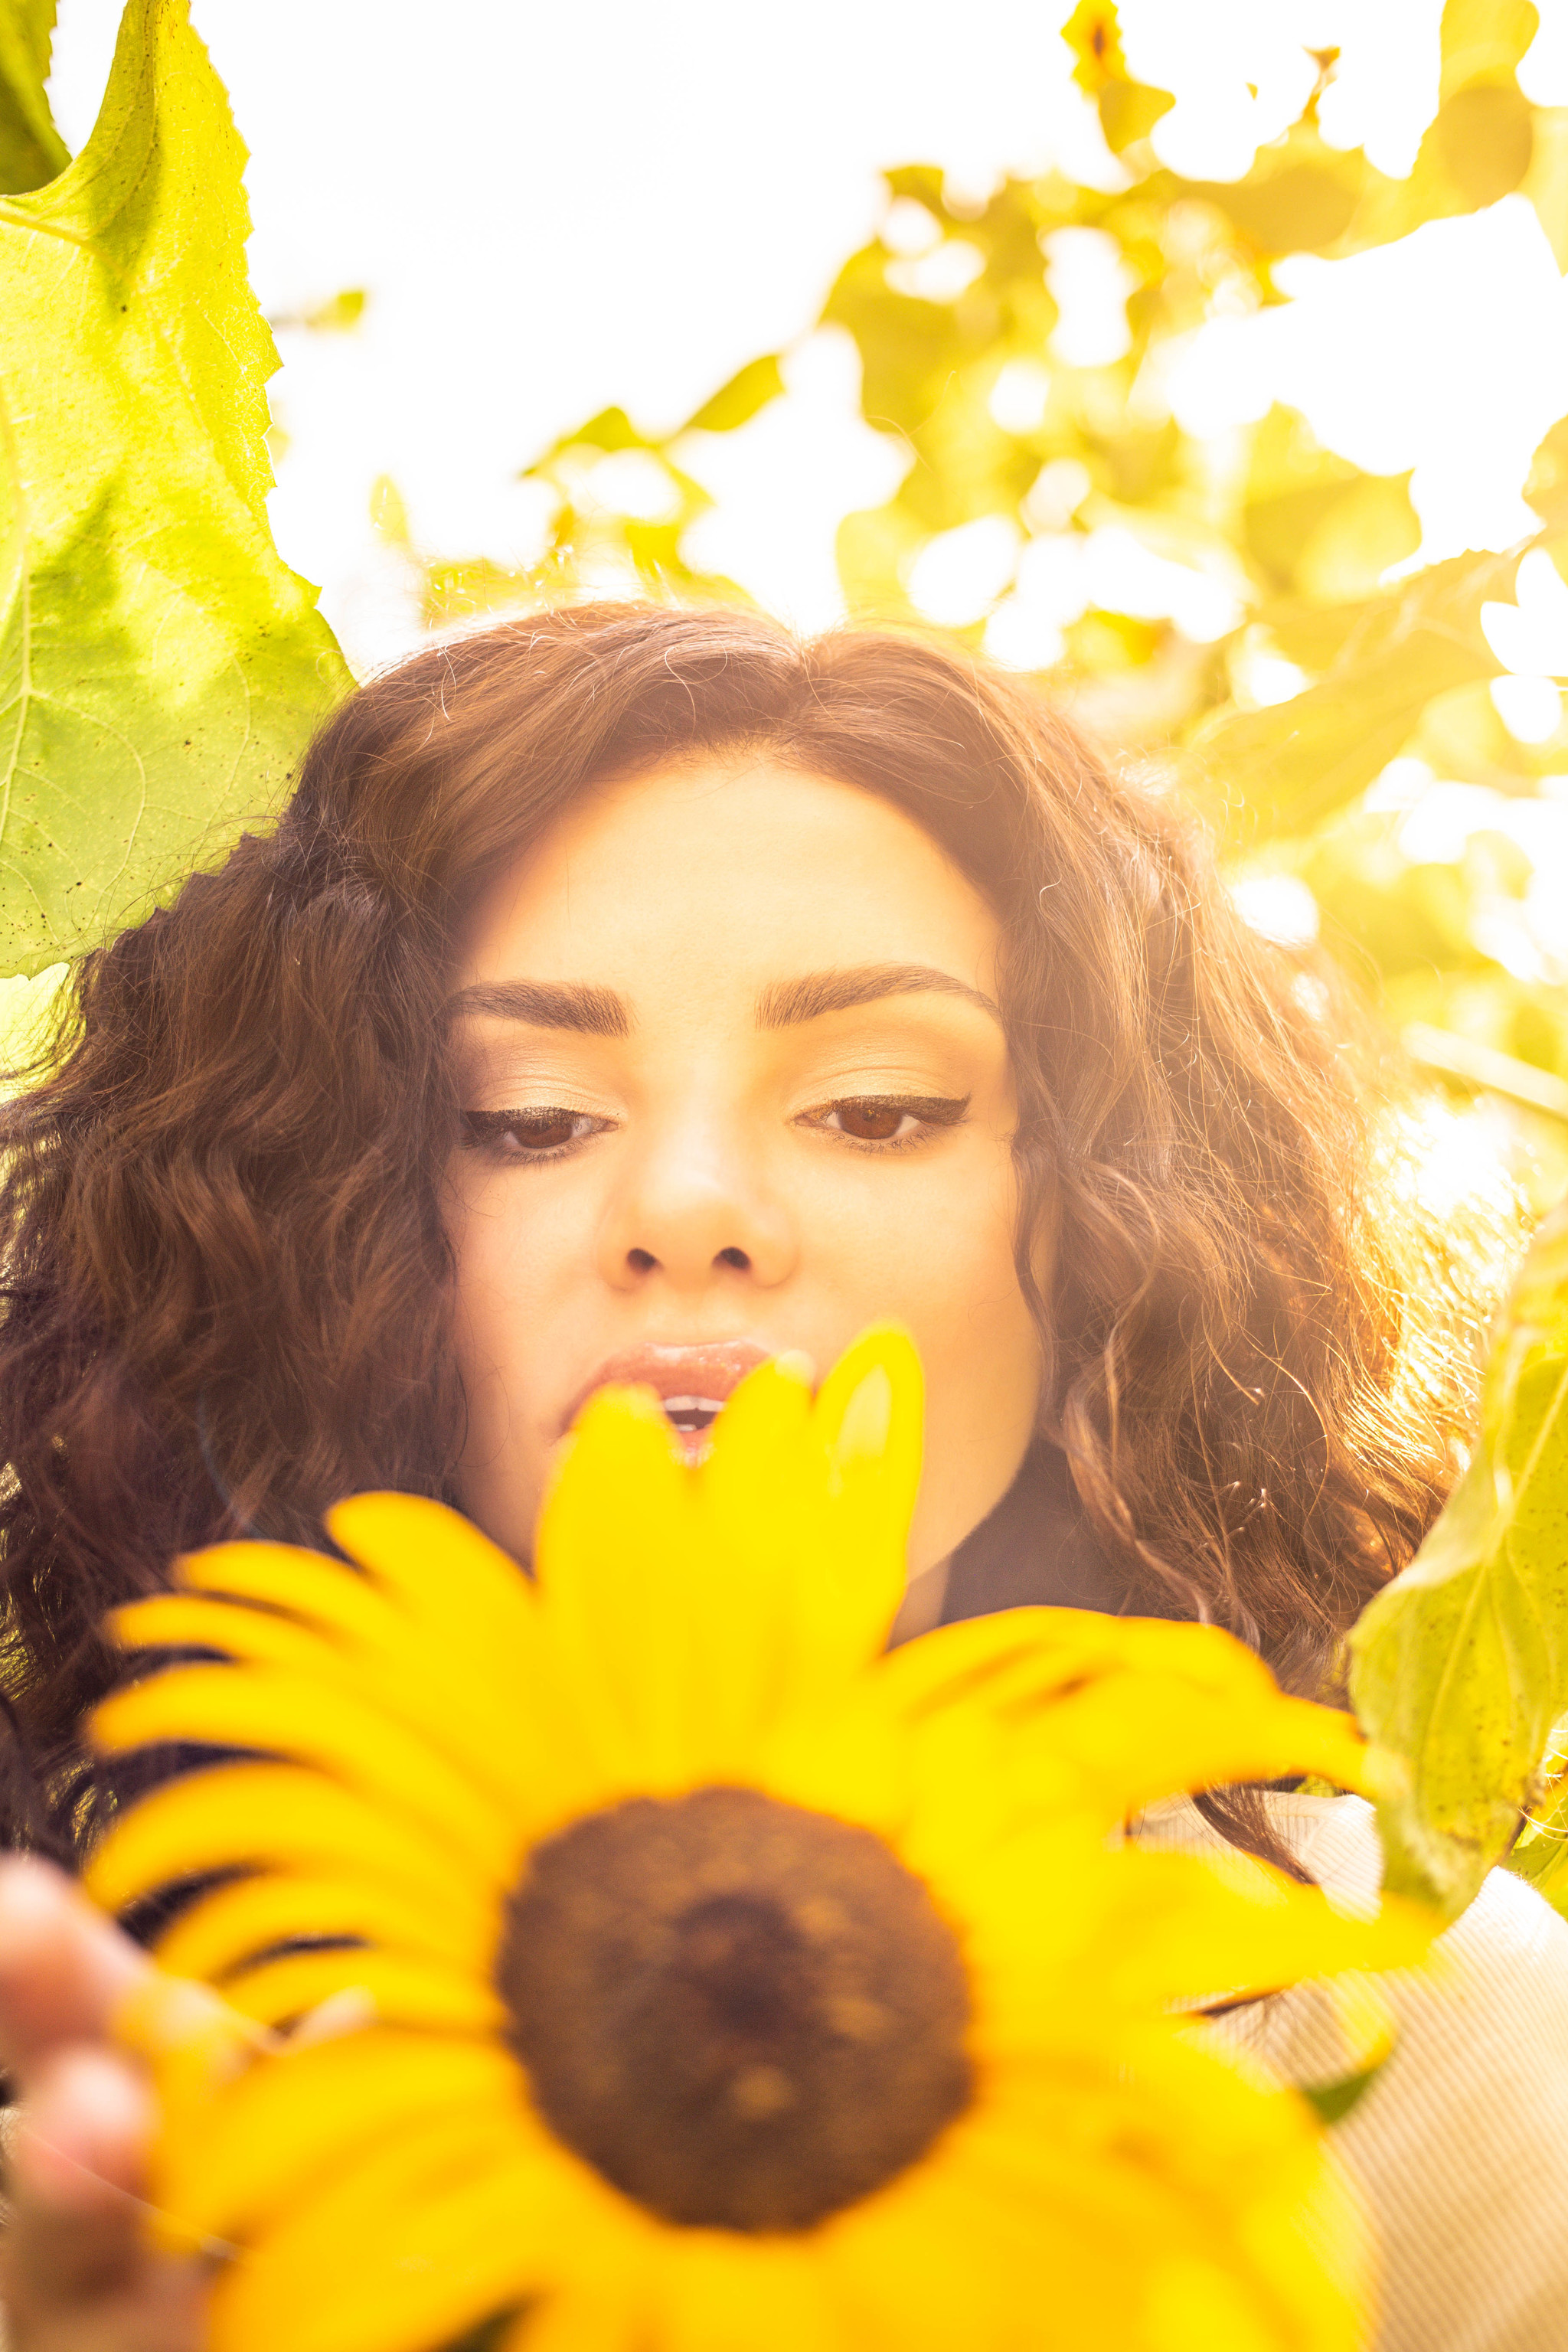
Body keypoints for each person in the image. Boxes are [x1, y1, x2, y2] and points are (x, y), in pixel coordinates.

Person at [0, 602, 1560, 2350]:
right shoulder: (81, 2072)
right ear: (318, 1231)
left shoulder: (1431, 2061)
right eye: (523, 1117)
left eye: (879, 1107)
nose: (691, 1211)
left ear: (1107, 1231)